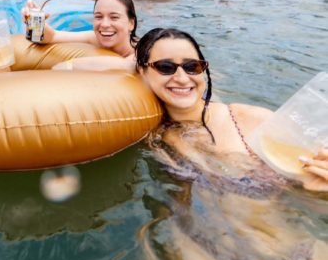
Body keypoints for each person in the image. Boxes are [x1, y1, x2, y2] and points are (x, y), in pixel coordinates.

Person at [135, 27, 328, 192]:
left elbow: (303, 190)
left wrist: (316, 189)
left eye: (192, 66)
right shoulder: (152, 135)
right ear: (142, 71)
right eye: (165, 66)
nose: (182, 78)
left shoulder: (253, 121)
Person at [22, 0, 138, 72]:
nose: (104, 24)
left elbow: (127, 65)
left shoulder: (142, 49)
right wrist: (36, 25)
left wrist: (67, 66)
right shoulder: (94, 38)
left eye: (114, 17)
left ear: (131, 24)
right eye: (98, 17)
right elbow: (53, 37)